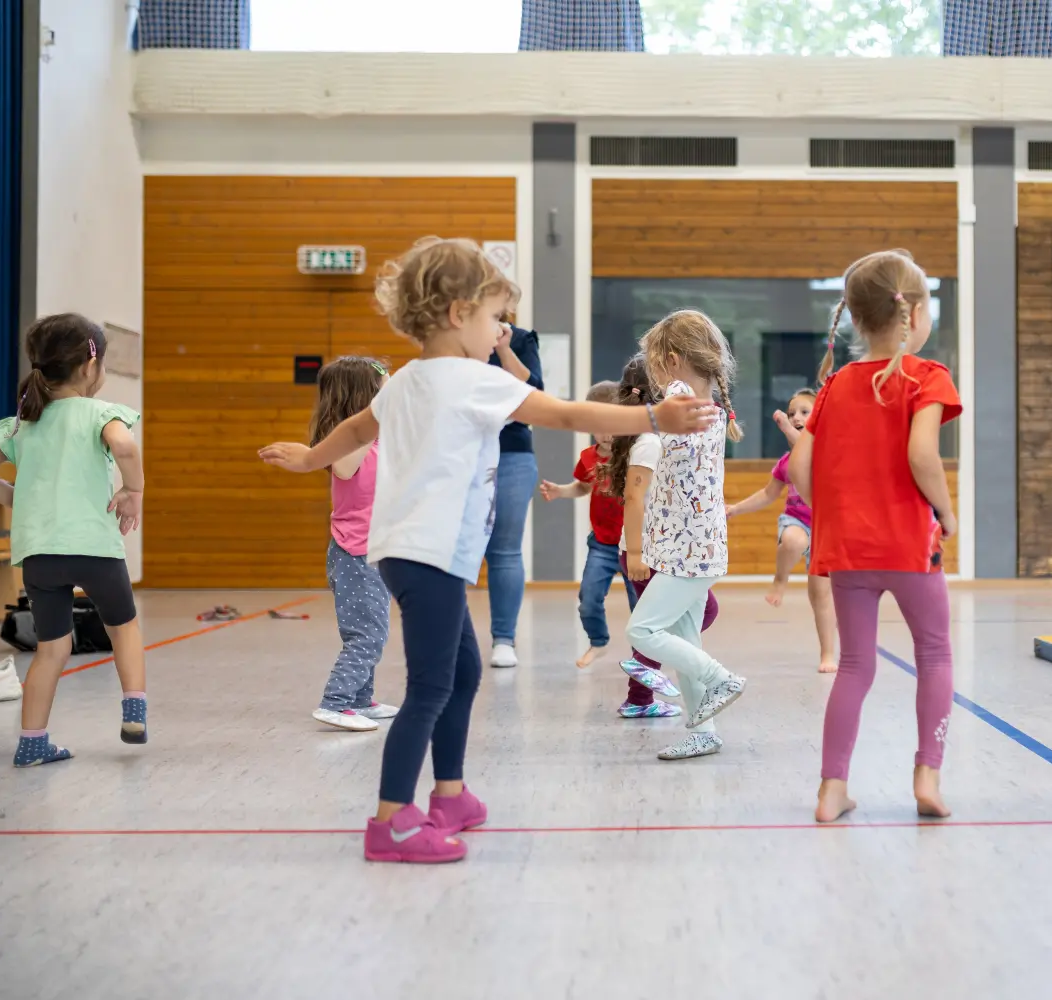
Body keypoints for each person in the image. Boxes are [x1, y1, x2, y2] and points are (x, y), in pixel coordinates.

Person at [259, 237, 718, 863]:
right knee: (431, 686)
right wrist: (654, 420)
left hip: (407, 552)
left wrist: (312, 457)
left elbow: (357, 428)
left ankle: (450, 796)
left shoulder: (408, 379)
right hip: (429, 554)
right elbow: (562, 413)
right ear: (456, 315)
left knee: (463, 672)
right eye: (493, 317)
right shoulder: (475, 381)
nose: (501, 330)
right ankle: (391, 823)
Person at [789, 249, 960, 824]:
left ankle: (832, 789)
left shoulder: (835, 385)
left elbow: (798, 471)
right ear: (913, 313)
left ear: (857, 320)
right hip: (910, 547)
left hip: (850, 553)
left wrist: (833, 511)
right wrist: (946, 510)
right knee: (934, 654)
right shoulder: (928, 376)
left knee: (856, 666)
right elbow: (922, 455)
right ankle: (927, 777)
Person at [0, 314, 146, 767]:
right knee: (122, 627)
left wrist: (11, 496)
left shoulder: (21, 423)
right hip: (95, 550)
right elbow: (125, 447)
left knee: (51, 648)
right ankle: (134, 711)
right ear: (91, 366)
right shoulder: (101, 414)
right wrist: (133, 490)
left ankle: (31, 742)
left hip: (39, 555)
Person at [623, 311, 747, 761]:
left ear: (671, 360)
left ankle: (720, 678)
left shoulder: (679, 393)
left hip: (686, 551)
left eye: (653, 364)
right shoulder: (710, 400)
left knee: (642, 628)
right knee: (686, 639)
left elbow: (662, 429)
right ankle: (703, 731)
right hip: (695, 545)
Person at [607, 354, 715, 721]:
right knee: (661, 624)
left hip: (654, 549)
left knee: (663, 622)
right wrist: (636, 553)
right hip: (649, 553)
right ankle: (644, 674)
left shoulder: (650, 439)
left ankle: (640, 693)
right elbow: (635, 496)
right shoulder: (651, 442)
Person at [307, 357, 399, 732]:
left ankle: (361, 699)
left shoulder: (377, 439)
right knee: (368, 633)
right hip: (355, 553)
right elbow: (345, 470)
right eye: (383, 390)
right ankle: (336, 701)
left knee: (373, 626)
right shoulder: (344, 443)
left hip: (376, 549)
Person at [726, 389, 839, 673]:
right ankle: (780, 578)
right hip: (797, 521)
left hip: (826, 531)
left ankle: (827, 653)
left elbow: (808, 448)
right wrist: (735, 509)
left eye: (804, 412)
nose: (796, 417)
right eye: (791, 413)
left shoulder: (828, 451)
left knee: (821, 595)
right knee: (792, 540)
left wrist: (787, 426)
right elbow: (766, 495)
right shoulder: (786, 464)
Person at [538, 380, 635, 670]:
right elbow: (583, 487)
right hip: (603, 544)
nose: (606, 433)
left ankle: (643, 656)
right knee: (588, 599)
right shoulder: (589, 457)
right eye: (598, 424)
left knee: (640, 607)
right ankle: (598, 641)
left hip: (634, 546)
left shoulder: (634, 456)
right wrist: (561, 491)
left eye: (613, 424)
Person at [484, 320, 544, 670]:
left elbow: (534, 389)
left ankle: (503, 638)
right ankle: (448, 639)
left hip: (512, 451)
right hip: (464, 448)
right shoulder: (453, 338)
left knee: (505, 548)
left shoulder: (520, 339)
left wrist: (504, 348)